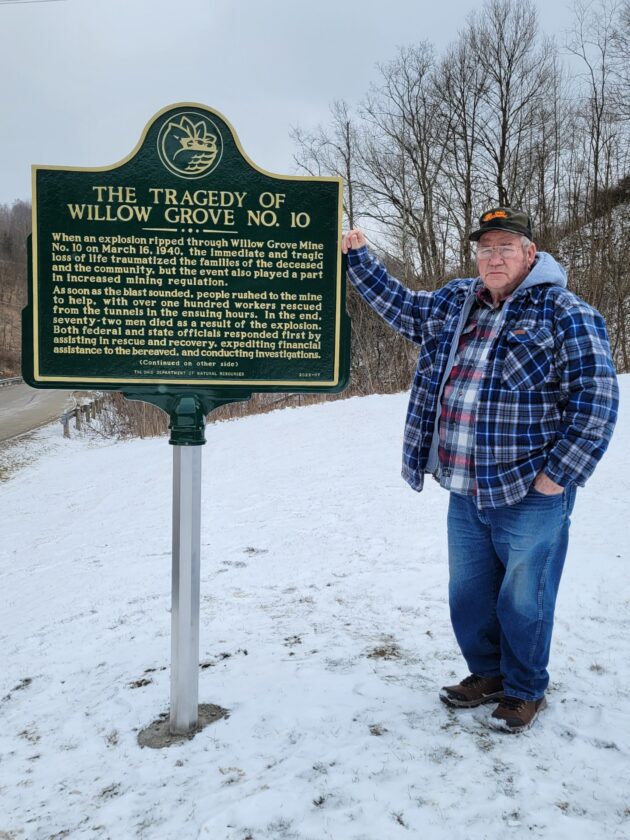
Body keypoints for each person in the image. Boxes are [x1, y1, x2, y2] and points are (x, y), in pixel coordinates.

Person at [342, 207, 619, 733]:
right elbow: (402, 308)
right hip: (465, 485)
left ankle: (523, 688)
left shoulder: (565, 312)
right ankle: (487, 674)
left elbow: (597, 399)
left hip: (531, 488)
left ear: (530, 254)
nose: (493, 257)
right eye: (485, 248)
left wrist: (558, 474)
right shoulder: (456, 302)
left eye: (506, 247)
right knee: (468, 594)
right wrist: (358, 258)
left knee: (524, 595)